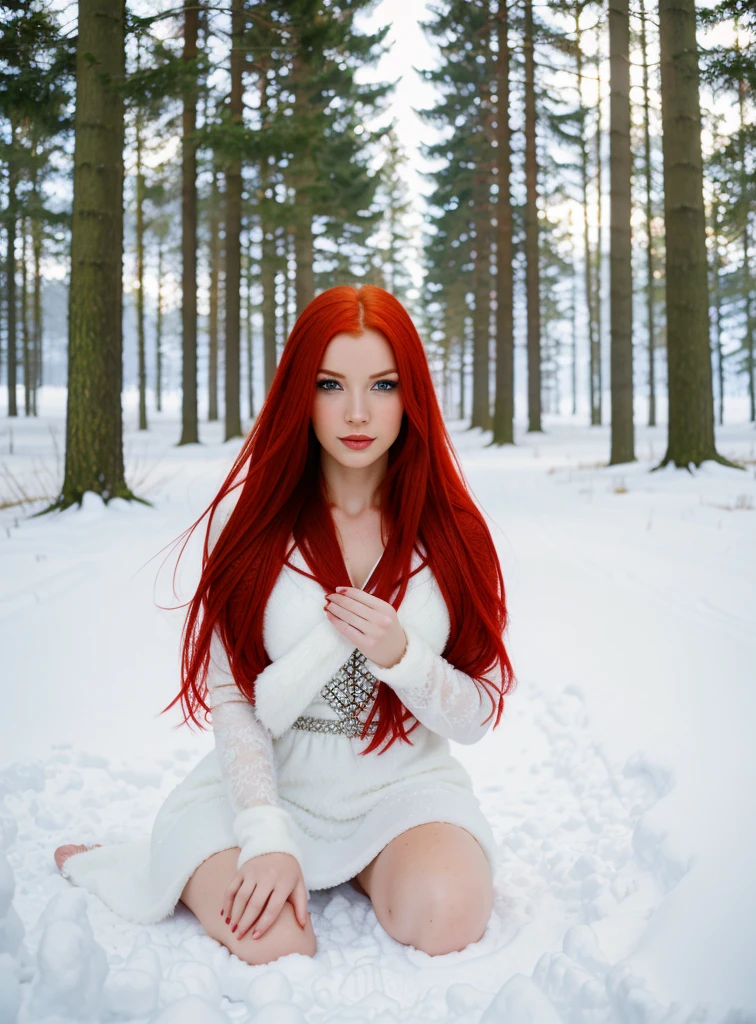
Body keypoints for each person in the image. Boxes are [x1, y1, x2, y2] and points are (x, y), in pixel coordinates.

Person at [55, 284, 516, 965]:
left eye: (382, 385)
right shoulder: (251, 526)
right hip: (267, 793)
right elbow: (234, 696)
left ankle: (374, 864)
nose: (357, 412)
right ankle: (166, 858)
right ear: (300, 389)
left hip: (401, 795)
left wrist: (404, 657)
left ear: (411, 393)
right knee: (271, 941)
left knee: (448, 914)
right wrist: (267, 833)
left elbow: (479, 711)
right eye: (332, 384)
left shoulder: (452, 534)